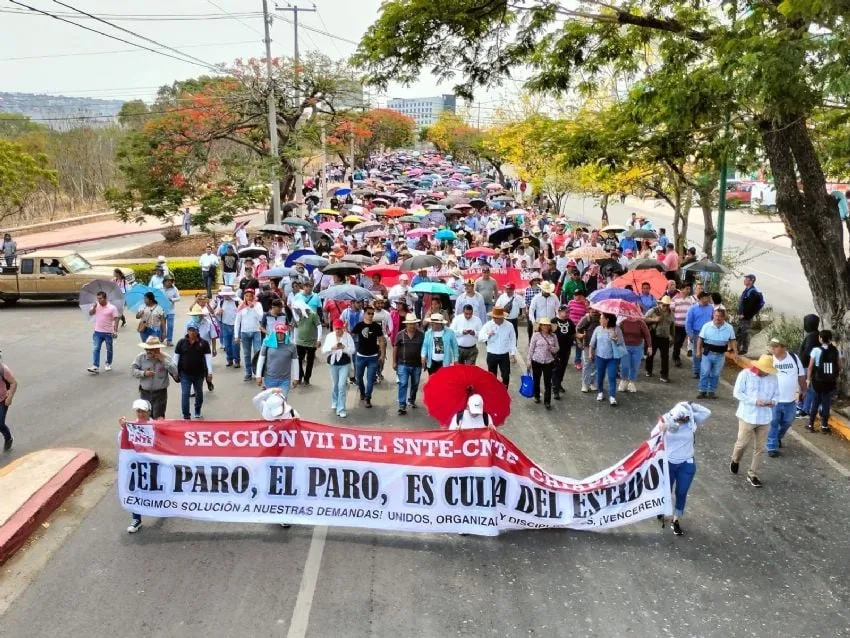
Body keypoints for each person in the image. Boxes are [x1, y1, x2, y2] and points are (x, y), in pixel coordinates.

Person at [651, 401, 711, 536]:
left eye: (685, 419)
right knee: (667, 490)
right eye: (680, 419)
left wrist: (690, 405)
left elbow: (707, 412)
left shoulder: (691, 420)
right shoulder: (667, 420)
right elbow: (653, 435)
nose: (682, 422)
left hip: (686, 462)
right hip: (669, 463)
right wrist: (661, 428)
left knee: (682, 492)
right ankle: (662, 509)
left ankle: (676, 519)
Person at [731, 354, 778, 488]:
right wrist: (754, 401)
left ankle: (753, 474)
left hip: (765, 417)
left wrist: (773, 402)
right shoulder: (745, 375)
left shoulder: (773, 379)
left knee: (760, 448)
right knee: (742, 443)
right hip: (748, 416)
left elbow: (777, 394)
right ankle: (735, 459)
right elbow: (737, 393)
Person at [766, 337, 806, 455]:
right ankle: (772, 446)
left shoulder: (794, 357)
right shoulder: (769, 359)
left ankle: (777, 436)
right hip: (774, 399)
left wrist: (804, 390)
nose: (772, 348)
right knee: (773, 422)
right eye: (771, 346)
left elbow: (801, 375)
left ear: (783, 347)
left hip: (790, 399)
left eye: (776, 346)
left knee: (788, 421)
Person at [120, 398, 154, 533]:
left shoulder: (155, 425)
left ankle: (165, 508)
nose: (140, 414)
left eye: (143, 411)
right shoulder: (131, 426)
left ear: (148, 412)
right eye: (138, 411)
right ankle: (136, 519)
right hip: (138, 466)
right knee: (135, 490)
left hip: (153, 465)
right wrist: (124, 428)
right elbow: (123, 445)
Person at [174, 319, 213, 419]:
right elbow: (176, 358)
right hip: (185, 374)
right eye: (190, 330)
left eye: (194, 330)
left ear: (197, 331)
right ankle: (186, 415)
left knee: (199, 393)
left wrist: (210, 372)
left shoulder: (203, 343)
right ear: (187, 331)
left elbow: (208, 358)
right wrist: (175, 371)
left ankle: (197, 409)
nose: (192, 332)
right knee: (185, 394)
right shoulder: (181, 343)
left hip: (199, 373)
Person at [131, 336, 177, 419]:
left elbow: (174, 370)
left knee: (158, 417)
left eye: (151, 349)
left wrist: (163, 360)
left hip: (160, 393)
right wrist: (144, 373)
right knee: (145, 417)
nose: (148, 351)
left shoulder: (166, 357)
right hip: (145, 393)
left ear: (158, 349)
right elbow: (133, 371)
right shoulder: (140, 357)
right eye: (147, 349)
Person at [696, 307, 737, 399]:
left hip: (720, 355)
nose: (718, 318)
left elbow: (733, 341)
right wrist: (698, 351)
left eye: (720, 316)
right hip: (707, 354)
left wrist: (736, 353)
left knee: (715, 374)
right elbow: (700, 340)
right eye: (716, 316)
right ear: (713, 316)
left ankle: (711, 391)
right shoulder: (706, 326)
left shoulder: (729, 328)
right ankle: (702, 390)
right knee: (705, 372)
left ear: (724, 317)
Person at [806, 329, 841, 434]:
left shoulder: (816, 350)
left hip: (818, 381)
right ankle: (824, 426)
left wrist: (808, 379)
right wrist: (836, 375)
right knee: (826, 402)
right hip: (830, 381)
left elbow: (810, 366)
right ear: (830, 339)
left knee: (815, 401)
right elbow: (839, 365)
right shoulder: (835, 350)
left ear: (821, 339)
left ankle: (810, 424)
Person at [589, 313, 625, 406]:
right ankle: (600, 392)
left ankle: (612, 396)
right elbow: (592, 343)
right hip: (600, 357)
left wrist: (615, 338)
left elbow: (621, 343)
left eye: (601, 318)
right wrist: (590, 353)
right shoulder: (598, 329)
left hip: (612, 358)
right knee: (600, 376)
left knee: (612, 376)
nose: (599, 320)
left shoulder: (617, 329)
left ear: (607, 319)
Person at [322, 319, 355, 418]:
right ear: (333, 328)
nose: (338, 331)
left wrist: (343, 347)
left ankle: (341, 409)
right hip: (333, 364)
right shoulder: (329, 336)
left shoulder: (347, 336)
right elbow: (324, 350)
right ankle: (335, 401)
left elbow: (352, 350)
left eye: (340, 329)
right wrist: (333, 347)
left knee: (341, 386)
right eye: (336, 329)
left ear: (343, 328)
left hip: (344, 364)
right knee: (335, 385)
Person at [353, 305, 385, 408]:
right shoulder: (359, 325)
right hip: (360, 356)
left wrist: (383, 354)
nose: (371, 315)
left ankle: (368, 398)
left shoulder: (376, 326)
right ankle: (362, 392)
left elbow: (381, 340)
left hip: (373, 357)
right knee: (359, 378)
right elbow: (350, 335)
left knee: (370, 379)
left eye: (372, 313)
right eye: (369, 313)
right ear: (364, 314)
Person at [394, 313, 425, 415]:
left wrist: (424, 360)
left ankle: (411, 400)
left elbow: (425, 349)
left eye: (413, 324)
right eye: (410, 324)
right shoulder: (400, 334)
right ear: (406, 324)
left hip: (417, 365)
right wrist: (394, 362)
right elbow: (395, 348)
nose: (412, 326)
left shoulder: (421, 335)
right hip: (403, 364)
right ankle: (402, 405)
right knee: (403, 383)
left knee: (415, 384)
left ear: (416, 324)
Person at [479, 307, 517, 387]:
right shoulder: (488, 325)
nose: (496, 319)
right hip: (492, 354)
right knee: (492, 376)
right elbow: (480, 337)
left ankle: (504, 392)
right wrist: (488, 335)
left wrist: (512, 353)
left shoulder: (509, 325)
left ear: (502, 317)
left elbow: (513, 339)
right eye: (495, 318)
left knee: (506, 375)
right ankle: (493, 392)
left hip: (504, 354)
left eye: (498, 318)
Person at [256, 323, 299, 395]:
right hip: (269, 379)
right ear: (274, 333)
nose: (280, 335)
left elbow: (295, 362)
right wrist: (258, 375)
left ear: (285, 333)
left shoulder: (292, 345)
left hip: (285, 380)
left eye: (282, 333)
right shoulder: (267, 343)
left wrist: (296, 377)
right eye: (278, 333)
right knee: (271, 402)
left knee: (281, 401)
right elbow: (261, 359)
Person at [528, 317, 559, 409]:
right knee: (536, 380)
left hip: (548, 362)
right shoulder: (536, 335)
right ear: (540, 326)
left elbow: (557, 348)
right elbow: (531, 348)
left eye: (547, 325)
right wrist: (528, 360)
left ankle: (547, 401)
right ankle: (536, 396)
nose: (545, 327)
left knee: (547, 382)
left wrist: (553, 349)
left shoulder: (553, 336)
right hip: (536, 360)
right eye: (544, 325)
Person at [618, 313, 652, 393]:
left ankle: (631, 382)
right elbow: (618, 333)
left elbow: (647, 335)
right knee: (624, 365)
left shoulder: (641, 322)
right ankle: (623, 380)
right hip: (625, 346)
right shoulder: (623, 322)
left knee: (635, 365)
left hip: (637, 347)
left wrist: (649, 346)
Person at [87, 291, 120, 374]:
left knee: (109, 350)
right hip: (97, 331)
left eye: (100, 298)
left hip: (108, 332)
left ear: (105, 298)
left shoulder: (112, 308)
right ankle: (95, 366)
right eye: (97, 298)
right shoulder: (96, 306)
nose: (99, 300)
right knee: (96, 349)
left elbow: (116, 319)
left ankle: (108, 363)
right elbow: (90, 313)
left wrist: (115, 331)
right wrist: (94, 307)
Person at [235, 289, 264, 381]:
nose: (248, 298)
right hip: (245, 332)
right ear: (244, 297)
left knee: (257, 352)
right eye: (246, 296)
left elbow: (261, 318)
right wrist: (236, 335)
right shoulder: (241, 306)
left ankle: (257, 372)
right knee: (247, 354)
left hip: (256, 331)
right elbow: (237, 322)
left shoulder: (258, 305)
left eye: (250, 296)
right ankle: (248, 373)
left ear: (253, 296)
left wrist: (253, 308)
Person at [644, 296, 674, 383]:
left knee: (665, 357)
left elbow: (672, 325)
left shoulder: (671, 313)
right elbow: (644, 319)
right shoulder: (653, 310)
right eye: (664, 305)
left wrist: (672, 337)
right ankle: (648, 370)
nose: (666, 307)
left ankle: (664, 375)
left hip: (665, 337)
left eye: (667, 305)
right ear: (660, 304)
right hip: (654, 335)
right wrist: (654, 319)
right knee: (650, 354)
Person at [685, 292, 714, 379]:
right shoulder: (693, 308)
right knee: (696, 352)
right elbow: (688, 322)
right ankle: (696, 371)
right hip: (697, 332)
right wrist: (689, 334)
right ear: (700, 298)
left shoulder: (710, 307)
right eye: (706, 297)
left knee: (708, 352)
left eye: (708, 297)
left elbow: (713, 319)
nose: (708, 299)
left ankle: (705, 370)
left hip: (709, 333)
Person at [292, 302, 322, 386]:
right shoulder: (297, 316)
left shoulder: (313, 315)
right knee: (298, 360)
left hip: (311, 342)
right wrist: (294, 340)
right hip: (299, 341)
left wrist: (319, 339)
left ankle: (307, 378)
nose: (296, 311)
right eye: (295, 310)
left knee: (310, 361)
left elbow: (319, 326)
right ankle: (300, 375)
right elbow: (295, 328)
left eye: (297, 309)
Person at [797, 314, 820, 417]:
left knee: (807, 389)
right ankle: (801, 405)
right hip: (806, 366)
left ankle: (804, 409)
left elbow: (807, 353)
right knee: (804, 388)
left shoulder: (811, 337)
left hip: (807, 367)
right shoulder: (815, 335)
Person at [551, 304, 575, 400]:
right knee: (556, 368)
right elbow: (549, 334)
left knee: (563, 368)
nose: (567, 314)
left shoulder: (569, 321)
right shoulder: (553, 321)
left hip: (567, 349)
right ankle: (555, 389)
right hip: (556, 350)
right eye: (566, 312)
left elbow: (573, 333)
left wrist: (581, 338)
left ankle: (558, 383)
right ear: (560, 312)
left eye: (568, 312)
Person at [736, 274, 764, 355]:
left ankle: (744, 349)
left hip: (746, 317)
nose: (744, 280)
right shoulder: (747, 289)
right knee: (740, 332)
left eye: (747, 279)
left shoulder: (752, 292)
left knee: (744, 333)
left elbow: (751, 307)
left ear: (751, 281)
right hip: (742, 316)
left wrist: (745, 315)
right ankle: (737, 348)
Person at [215, 286, 240, 367]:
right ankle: (229, 360)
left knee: (235, 344)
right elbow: (216, 312)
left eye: (226, 294)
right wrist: (218, 312)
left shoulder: (237, 301)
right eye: (224, 294)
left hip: (235, 326)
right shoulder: (221, 301)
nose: (225, 296)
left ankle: (237, 361)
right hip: (225, 325)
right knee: (227, 344)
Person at [670, 282, 694, 367]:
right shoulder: (675, 298)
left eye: (689, 289)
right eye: (687, 288)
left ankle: (675, 354)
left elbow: (691, 312)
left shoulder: (690, 300)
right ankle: (677, 358)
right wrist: (672, 322)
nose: (688, 290)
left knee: (680, 342)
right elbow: (671, 311)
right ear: (682, 289)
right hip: (677, 324)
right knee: (677, 341)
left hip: (685, 325)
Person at [0, 353, 17, 451]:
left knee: (0, 424)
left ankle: (8, 438)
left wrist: (9, 397)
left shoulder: (3, 370)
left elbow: (14, 383)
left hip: (2, 400)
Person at [162, 276, 180, 346]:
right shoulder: (160, 288)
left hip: (170, 310)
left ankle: (169, 340)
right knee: (161, 326)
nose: (169, 282)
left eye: (171, 281)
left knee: (170, 326)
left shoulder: (174, 289)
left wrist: (172, 299)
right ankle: (161, 338)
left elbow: (178, 298)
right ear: (164, 281)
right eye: (168, 281)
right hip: (161, 311)